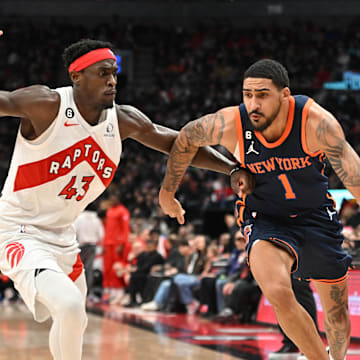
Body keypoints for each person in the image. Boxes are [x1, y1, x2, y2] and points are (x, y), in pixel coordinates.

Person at [0, 32, 247, 360]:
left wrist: (232, 169)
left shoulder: (124, 120)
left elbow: (179, 145)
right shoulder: (46, 104)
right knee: (70, 306)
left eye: (114, 73)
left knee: (75, 317)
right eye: (103, 73)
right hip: (18, 230)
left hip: (63, 237)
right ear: (77, 76)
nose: (112, 80)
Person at [159, 58, 360, 360]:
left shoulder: (316, 122)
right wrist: (167, 192)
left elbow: (354, 177)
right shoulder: (231, 123)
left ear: (285, 96)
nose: (253, 103)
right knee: (278, 291)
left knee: (337, 315)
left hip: (316, 216)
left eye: (262, 94)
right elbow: (186, 137)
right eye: (247, 94)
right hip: (265, 217)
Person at [73, 203, 104, 299]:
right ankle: (88, 292)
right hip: (92, 246)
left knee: (79, 269)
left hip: (80, 246)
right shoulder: (97, 220)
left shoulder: (79, 218)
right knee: (89, 270)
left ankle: (77, 291)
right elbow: (101, 235)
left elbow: (74, 231)